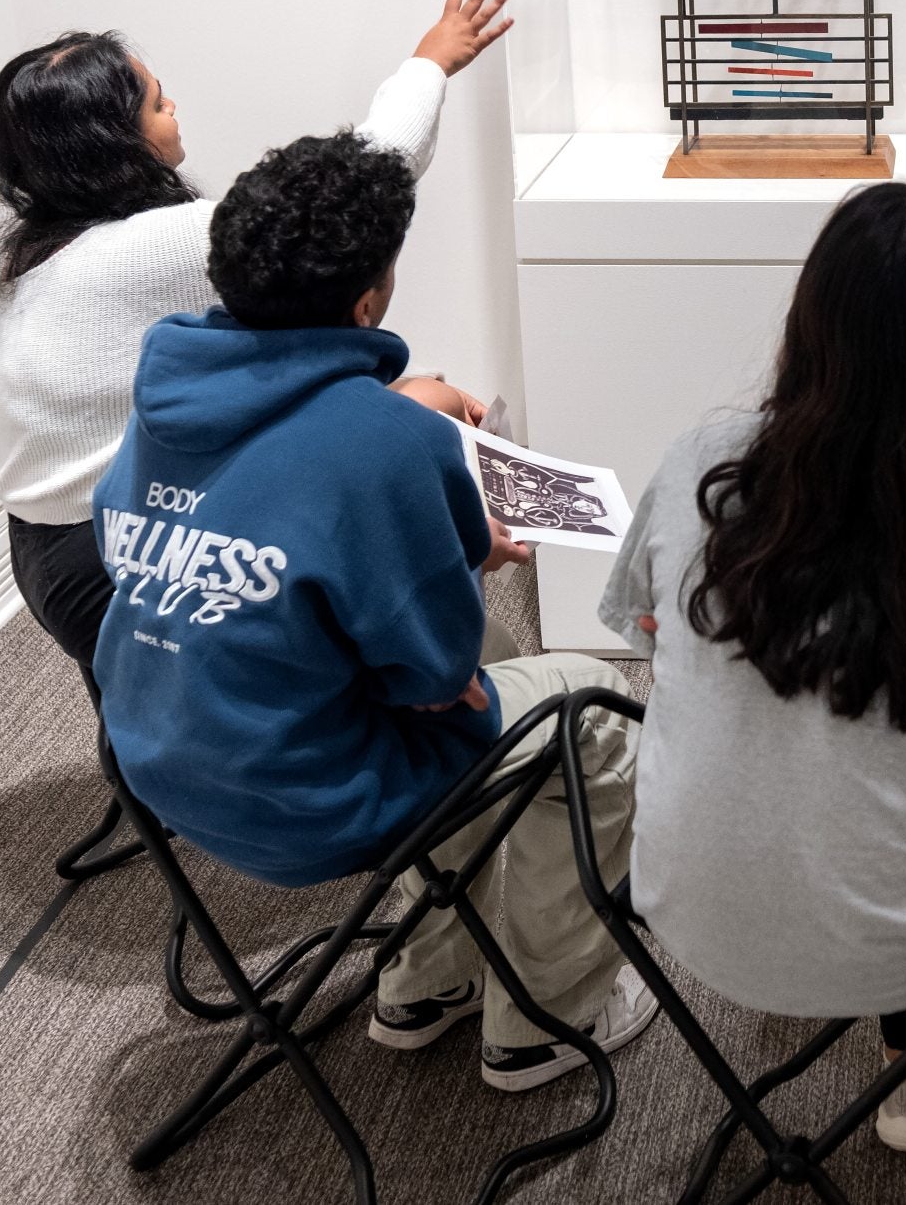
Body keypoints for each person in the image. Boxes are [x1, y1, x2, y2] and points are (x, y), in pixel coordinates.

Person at [91, 131, 656, 1092]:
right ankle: (542, 1019)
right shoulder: (383, 440)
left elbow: (222, 542)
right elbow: (433, 678)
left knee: (493, 651)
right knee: (593, 710)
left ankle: (426, 977)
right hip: (312, 799)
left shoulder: (165, 394)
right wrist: (461, 550)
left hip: (167, 758)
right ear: (367, 301)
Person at [598, 183, 906, 1158]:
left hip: (683, 907)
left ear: (811, 322)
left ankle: (828, 922)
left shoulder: (700, 462)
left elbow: (646, 637)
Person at [0, 0, 510, 680]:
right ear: (117, 144)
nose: (176, 108)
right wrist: (433, 59)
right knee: (397, 446)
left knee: (159, 700)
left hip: (46, 552)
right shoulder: (161, 244)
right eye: (160, 103)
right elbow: (367, 175)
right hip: (119, 547)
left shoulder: (37, 258)